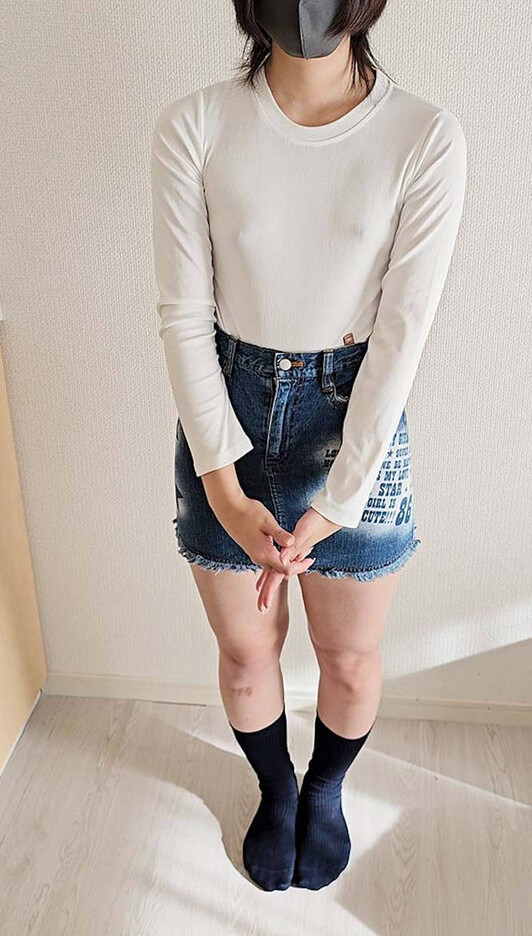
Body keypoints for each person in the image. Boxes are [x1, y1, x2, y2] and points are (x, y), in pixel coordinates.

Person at [150, 0, 467, 893]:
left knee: (350, 658)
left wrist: (341, 497)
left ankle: (324, 791)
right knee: (247, 651)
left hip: (357, 415)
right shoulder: (195, 126)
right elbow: (183, 316)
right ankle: (276, 786)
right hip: (227, 414)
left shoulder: (423, 136)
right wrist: (223, 487)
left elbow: (402, 334)